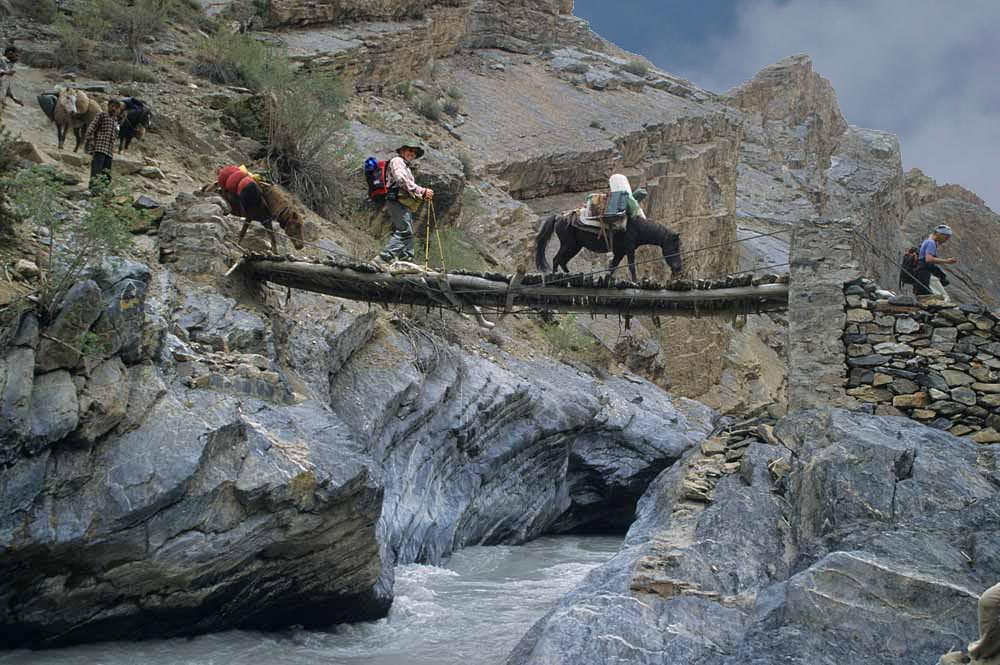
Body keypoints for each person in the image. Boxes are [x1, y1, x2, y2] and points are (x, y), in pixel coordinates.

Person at [373, 141, 434, 266]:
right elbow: (401, 179)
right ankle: (382, 259)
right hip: (396, 200)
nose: (412, 154)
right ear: (402, 151)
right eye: (410, 150)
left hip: (402, 202)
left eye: (414, 152)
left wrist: (422, 194)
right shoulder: (397, 161)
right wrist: (421, 191)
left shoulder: (406, 166)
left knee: (408, 231)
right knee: (405, 231)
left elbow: (407, 185)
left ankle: (406, 261)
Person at [84, 99, 123, 191]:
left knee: (106, 172)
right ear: (108, 106)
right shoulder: (101, 115)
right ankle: (93, 189)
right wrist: (91, 139)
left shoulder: (115, 121)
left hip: (109, 150)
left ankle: (103, 190)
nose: (113, 108)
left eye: (116, 107)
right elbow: (92, 127)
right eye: (112, 106)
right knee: (96, 169)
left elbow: (115, 135)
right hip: (100, 147)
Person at [915, 224, 957, 300]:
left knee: (927, 297)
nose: (947, 239)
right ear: (939, 234)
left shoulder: (927, 241)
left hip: (921, 273)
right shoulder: (931, 243)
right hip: (927, 274)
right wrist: (947, 261)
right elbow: (929, 259)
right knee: (944, 298)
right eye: (946, 236)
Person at [0, 46, 24, 117]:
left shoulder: (9, 65)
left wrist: (14, 99)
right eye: (16, 55)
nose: (17, 57)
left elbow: (6, 86)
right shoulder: (1, 60)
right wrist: (5, 73)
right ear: (10, 53)